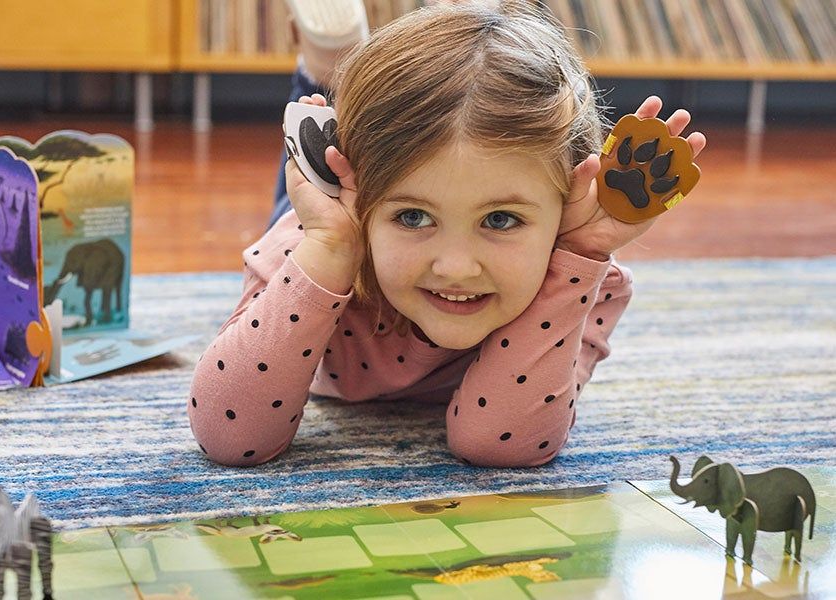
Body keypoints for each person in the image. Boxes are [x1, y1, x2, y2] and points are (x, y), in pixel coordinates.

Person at [188, 0, 707, 468]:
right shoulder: (309, 242)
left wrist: (579, 253)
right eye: (414, 217)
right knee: (310, 157)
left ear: (569, 200)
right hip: (342, 221)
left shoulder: (588, 277)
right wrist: (330, 246)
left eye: (501, 219)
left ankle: (344, 80)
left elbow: (499, 444)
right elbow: (230, 437)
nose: (456, 268)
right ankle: (325, 71)